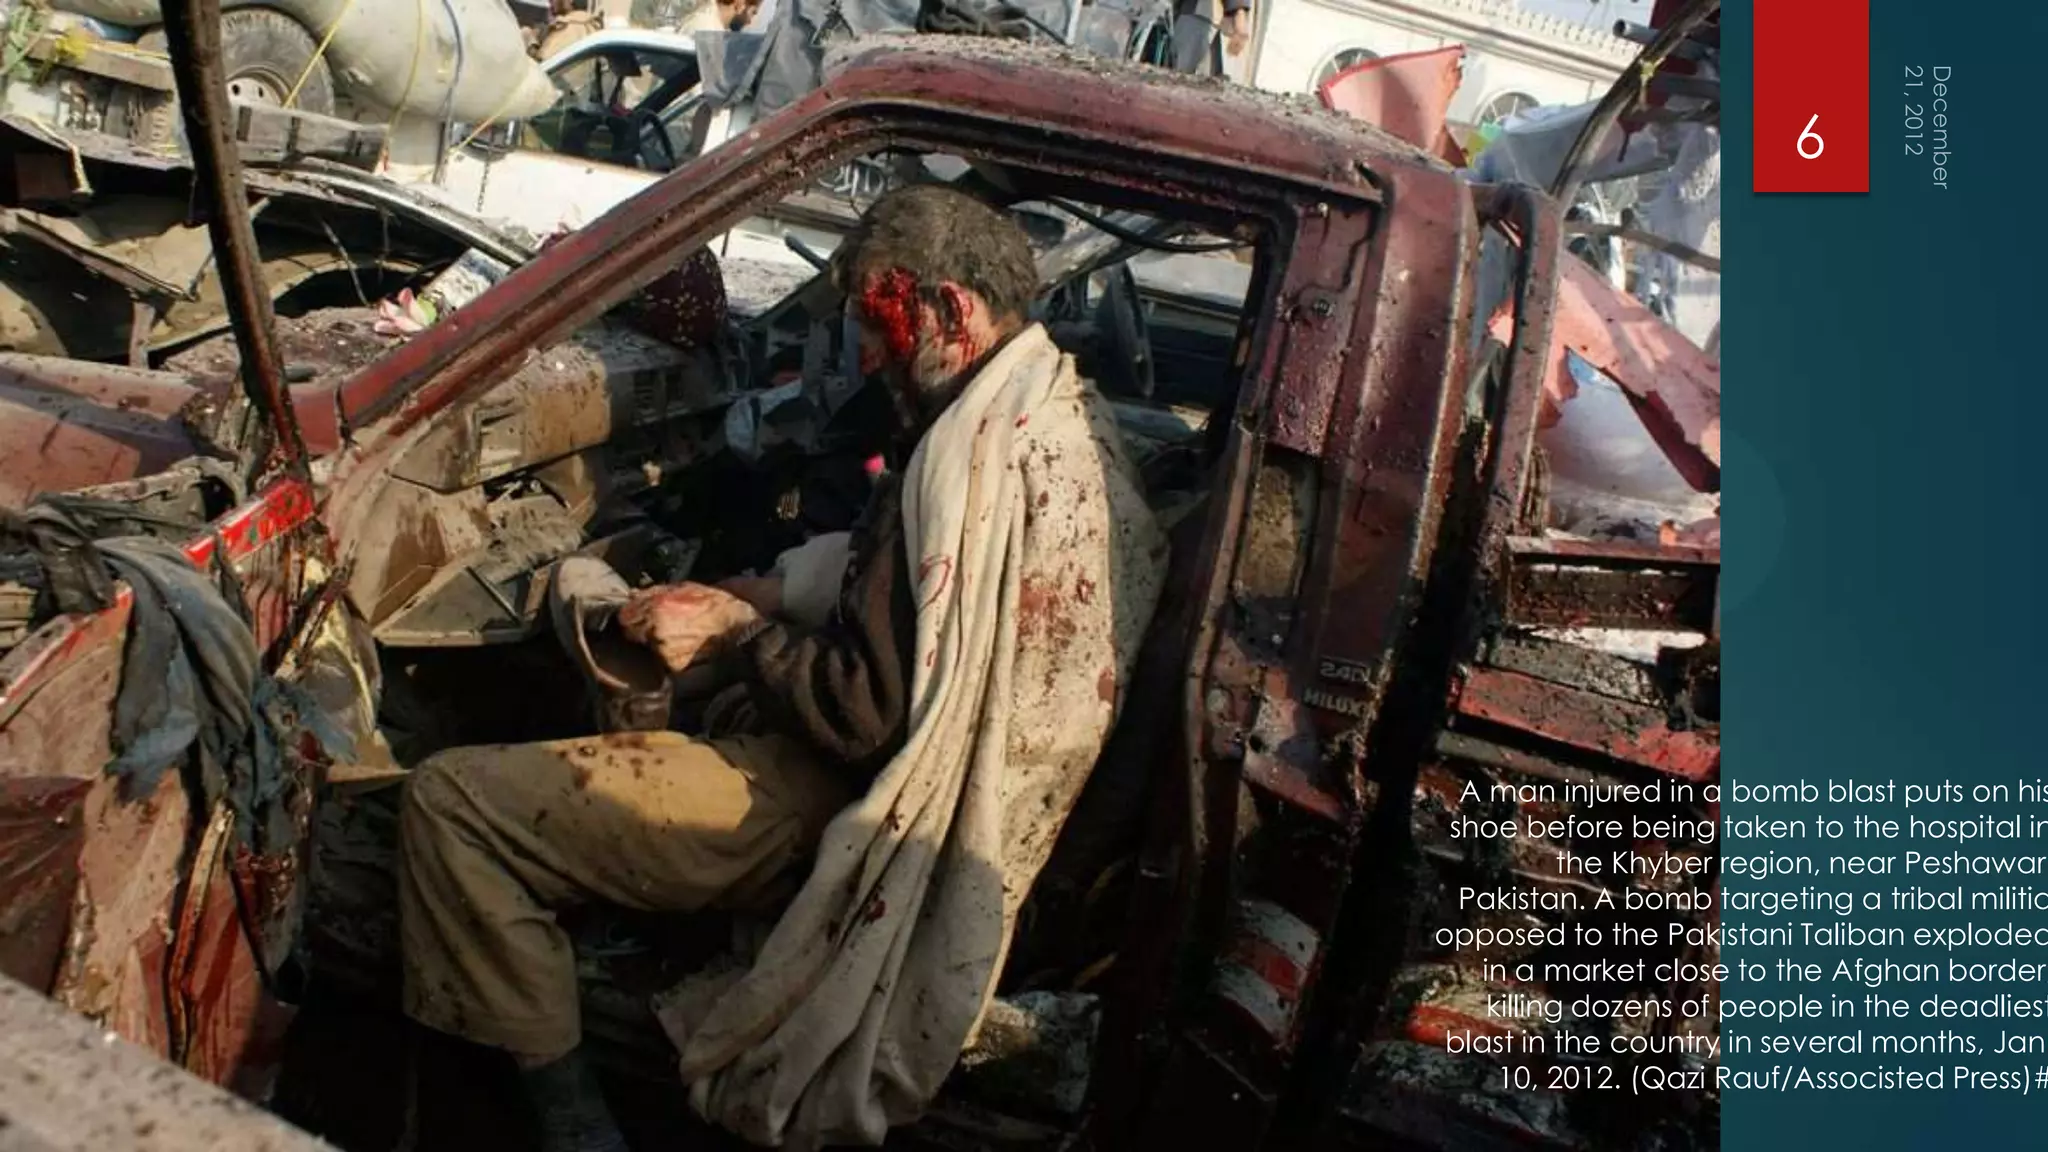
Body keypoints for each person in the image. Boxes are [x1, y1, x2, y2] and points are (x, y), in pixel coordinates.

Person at [398, 184, 1164, 1152]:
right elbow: (898, 580)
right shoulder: (1039, 411)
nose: (872, 356)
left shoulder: (968, 459)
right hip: (898, 781)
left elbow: (862, 715)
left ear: (951, 310)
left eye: (880, 326)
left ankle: (567, 1116)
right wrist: (758, 594)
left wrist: (732, 637)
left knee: (452, 803)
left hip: (834, 796)